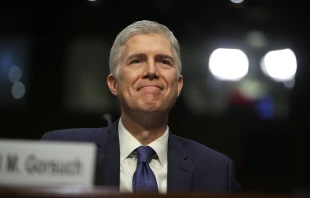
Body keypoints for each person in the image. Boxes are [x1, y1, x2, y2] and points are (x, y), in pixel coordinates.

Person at [41, 20, 241, 193]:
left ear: (178, 85)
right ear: (114, 84)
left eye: (163, 61)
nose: (152, 71)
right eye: (137, 61)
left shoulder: (216, 171)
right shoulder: (63, 150)